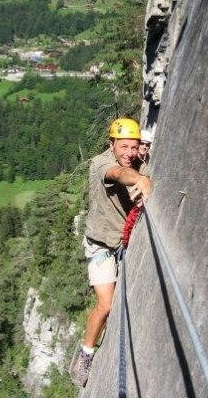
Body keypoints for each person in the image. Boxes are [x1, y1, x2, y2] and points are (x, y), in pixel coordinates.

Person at [69, 118, 152, 387]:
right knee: (105, 305)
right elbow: (118, 174)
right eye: (123, 146)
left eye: (134, 147)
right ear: (111, 144)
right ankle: (85, 353)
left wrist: (143, 167)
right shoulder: (101, 164)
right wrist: (140, 178)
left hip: (124, 242)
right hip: (101, 245)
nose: (128, 152)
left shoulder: (138, 161)